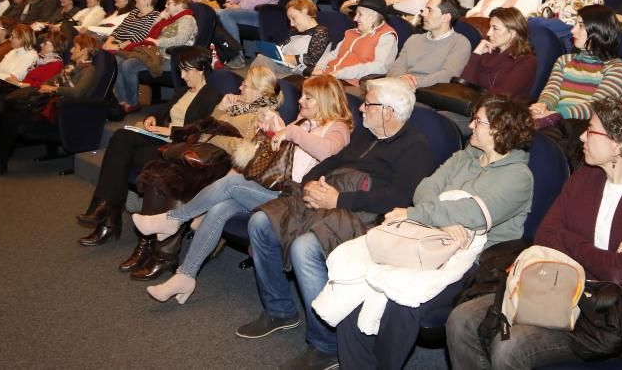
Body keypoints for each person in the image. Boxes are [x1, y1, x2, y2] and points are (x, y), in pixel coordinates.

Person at [447, 99, 622, 369]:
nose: (581, 137)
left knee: (511, 345)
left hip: (602, 312)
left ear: (618, 145)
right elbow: (546, 236)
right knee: (461, 319)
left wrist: (569, 240)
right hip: (555, 285)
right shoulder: (583, 178)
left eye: (591, 131)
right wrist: (600, 254)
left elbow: (618, 273)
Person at [236, 77, 438, 370]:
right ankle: (279, 310)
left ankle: (325, 345)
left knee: (305, 247)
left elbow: (400, 198)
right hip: (332, 198)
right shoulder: (367, 135)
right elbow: (334, 161)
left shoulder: (415, 149)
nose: (362, 109)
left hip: (367, 217)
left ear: (389, 112)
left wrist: (339, 200)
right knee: (259, 223)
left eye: (369, 104)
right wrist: (309, 184)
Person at [331, 96, 536, 370]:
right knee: (356, 279)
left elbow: (473, 213)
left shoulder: (518, 177)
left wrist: (418, 214)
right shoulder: (466, 156)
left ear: (500, 129)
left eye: (479, 121)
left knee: (402, 301)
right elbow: (424, 189)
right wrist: (442, 221)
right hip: (428, 238)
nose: (471, 125)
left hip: (473, 261)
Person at [134, 74, 352, 304]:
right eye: (302, 96)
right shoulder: (302, 122)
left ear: (325, 99)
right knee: (220, 208)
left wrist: (291, 133)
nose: (300, 102)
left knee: (231, 183)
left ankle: (173, 220)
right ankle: (185, 275)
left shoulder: (338, 127)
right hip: (274, 186)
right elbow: (279, 159)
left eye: (309, 98)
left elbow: (328, 151)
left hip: (294, 197)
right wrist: (270, 132)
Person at [76, 47, 222, 246]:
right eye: (180, 70)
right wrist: (152, 118)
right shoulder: (182, 92)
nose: (181, 75)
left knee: (120, 158)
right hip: (163, 139)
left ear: (201, 69)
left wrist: (170, 131)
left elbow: (202, 133)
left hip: (178, 148)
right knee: (121, 136)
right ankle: (106, 211)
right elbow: (163, 113)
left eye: (186, 71)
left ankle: (107, 217)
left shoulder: (212, 95)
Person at [0, 34, 100, 177]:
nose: (71, 51)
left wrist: (54, 89)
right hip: (47, 103)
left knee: (9, 116)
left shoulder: (89, 70)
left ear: (83, 51)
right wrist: (49, 87)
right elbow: (49, 81)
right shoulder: (70, 67)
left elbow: (77, 93)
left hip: (60, 112)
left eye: (75, 47)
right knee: (5, 108)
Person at [531, 5, 622, 122]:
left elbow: (596, 108)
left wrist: (556, 115)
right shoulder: (564, 60)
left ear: (599, 30)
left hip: (585, 127)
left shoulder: (617, 68)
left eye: (581, 26)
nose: (573, 30)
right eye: (575, 24)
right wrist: (543, 106)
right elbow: (551, 92)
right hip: (555, 121)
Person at [112, 0, 197, 113]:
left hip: (170, 58)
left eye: (169, 3)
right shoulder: (169, 19)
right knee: (116, 59)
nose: (165, 6)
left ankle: (132, 103)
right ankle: (122, 101)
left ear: (179, 4)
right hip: (156, 53)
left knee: (128, 65)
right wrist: (158, 19)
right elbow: (150, 34)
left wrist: (157, 42)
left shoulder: (187, 19)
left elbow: (180, 40)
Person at [386, 0, 470, 90]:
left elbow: (448, 75)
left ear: (445, 17)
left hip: (428, 94)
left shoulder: (460, 43)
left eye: (429, 10)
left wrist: (413, 83)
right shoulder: (414, 39)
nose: (423, 13)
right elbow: (396, 67)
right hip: (399, 88)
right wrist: (401, 78)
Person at [314, 0, 398, 86]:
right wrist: (319, 67)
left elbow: (380, 67)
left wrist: (340, 74)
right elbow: (334, 54)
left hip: (350, 83)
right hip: (329, 77)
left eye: (360, 14)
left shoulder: (386, 36)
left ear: (373, 17)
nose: (355, 18)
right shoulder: (351, 32)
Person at [457, 7, 538, 99]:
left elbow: (501, 96)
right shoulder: (488, 52)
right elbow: (463, 85)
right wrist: (476, 55)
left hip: (498, 111)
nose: (489, 33)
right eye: (490, 27)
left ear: (512, 33)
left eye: (495, 28)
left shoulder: (526, 61)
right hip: (470, 105)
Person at [251, 0, 331, 77]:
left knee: (263, 62)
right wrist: (271, 54)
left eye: (293, 18)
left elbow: (310, 60)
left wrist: (282, 58)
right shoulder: (294, 31)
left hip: (298, 70)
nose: (291, 24)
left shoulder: (321, 31)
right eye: (289, 20)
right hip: (284, 66)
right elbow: (280, 48)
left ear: (305, 11)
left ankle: (251, 86)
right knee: (262, 59)